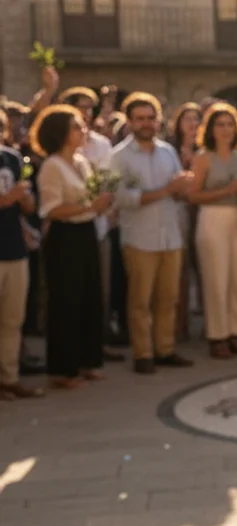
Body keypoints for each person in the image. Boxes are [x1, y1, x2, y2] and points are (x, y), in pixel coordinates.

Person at [110, 92, 194, 374]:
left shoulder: (168, 152)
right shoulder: (119, 156)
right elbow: (121, 199)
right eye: (140, 119)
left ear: (158, 121)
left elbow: (177, 192)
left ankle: (165, 349)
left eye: (150, 118)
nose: (146, 123)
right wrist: (165, 192)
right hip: (139, 238)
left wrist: (183, 188)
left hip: (170, 234)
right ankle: (143, 354)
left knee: (168, 298)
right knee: (140, 301)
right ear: (130, 122)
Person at [32, 105, 113, 389]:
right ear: (62, 133)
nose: (83, 131)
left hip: (86, 230)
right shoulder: (52, 166)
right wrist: (90, 206)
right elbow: (51, 209)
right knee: (65, 300)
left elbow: (89, 201)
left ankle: (86, 360)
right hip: (64, 236)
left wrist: (100, 205)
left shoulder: (81, 161)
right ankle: (62, 369)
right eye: (77, 127)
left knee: (89, 296)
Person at [61, 86, 124, 363]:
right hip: (70, 227)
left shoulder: (101, 145)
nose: (87, 114)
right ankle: (71, 349)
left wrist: (109, 206)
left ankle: (97, 344)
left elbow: (111, 179)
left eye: (90, 108)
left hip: (99, 228)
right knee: (71, 291)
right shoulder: (58, 150)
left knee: (100, 289)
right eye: (81, 107)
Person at [188, 102, 237, 360]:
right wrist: (228, 190)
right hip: (212, 218)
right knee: (217, 278)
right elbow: (193, 195)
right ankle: (217, 335)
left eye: (230, 124)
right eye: (220, 125)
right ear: (210, 129)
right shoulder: (203, 157)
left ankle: (236, 331)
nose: (225, 130)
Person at [0, 112, 43, 399]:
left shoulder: (13, 158)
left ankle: (9, 377)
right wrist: (6, 200)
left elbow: (28, 207)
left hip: (14, 249)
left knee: (13, 319)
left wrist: (26, 202)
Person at [169, 102, 202, 340]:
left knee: (202, 269)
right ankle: (178, 326)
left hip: (202, 213)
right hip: (176, 213)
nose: (192, 124)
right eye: (187, 119)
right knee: (178, 272)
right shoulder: (169, 150)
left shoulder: (207, 149)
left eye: (197, 119)